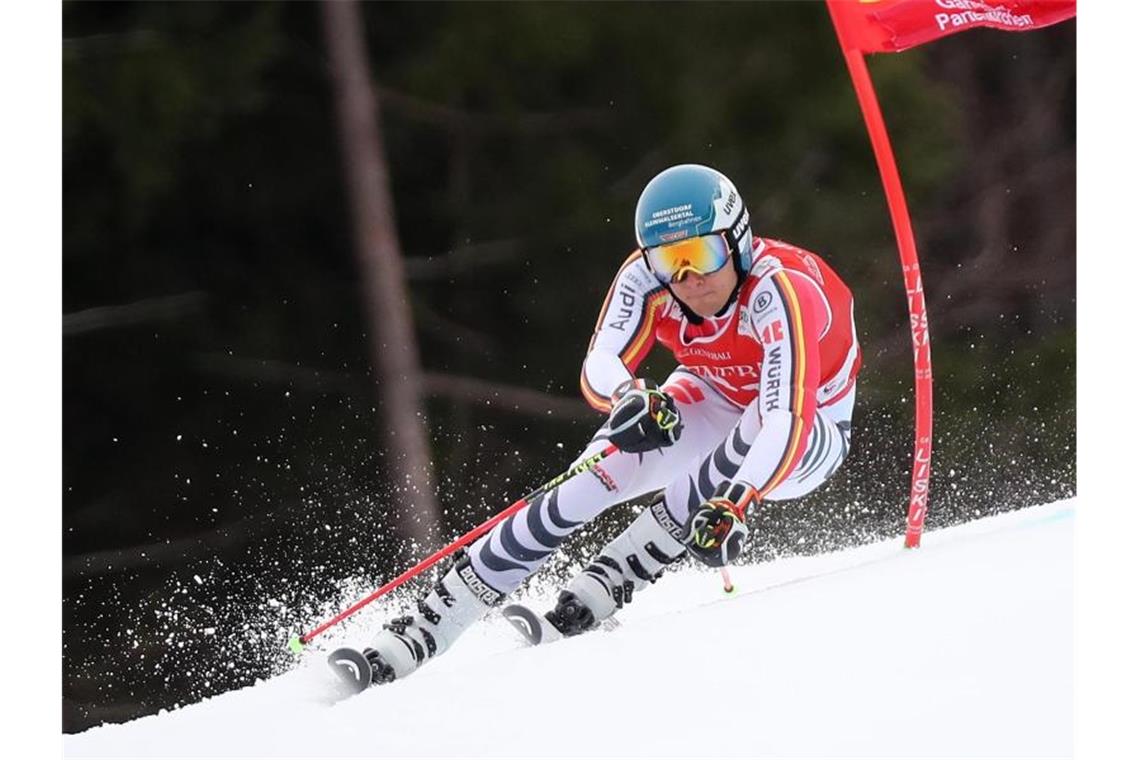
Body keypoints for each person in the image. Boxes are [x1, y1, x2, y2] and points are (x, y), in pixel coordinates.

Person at [356, 163, 861, 685]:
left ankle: (621, 570)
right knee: (594, 474)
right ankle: (434, 619)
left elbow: (785, 416)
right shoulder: (646, 280)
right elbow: (600, 366)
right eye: (670, 261)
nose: (689, 278)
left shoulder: (780, 291)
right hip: (713, 396)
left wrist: (738, 500)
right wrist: (628, 400)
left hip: (806, 432)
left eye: (702, 255)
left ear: (737, 241)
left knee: (756, 420)